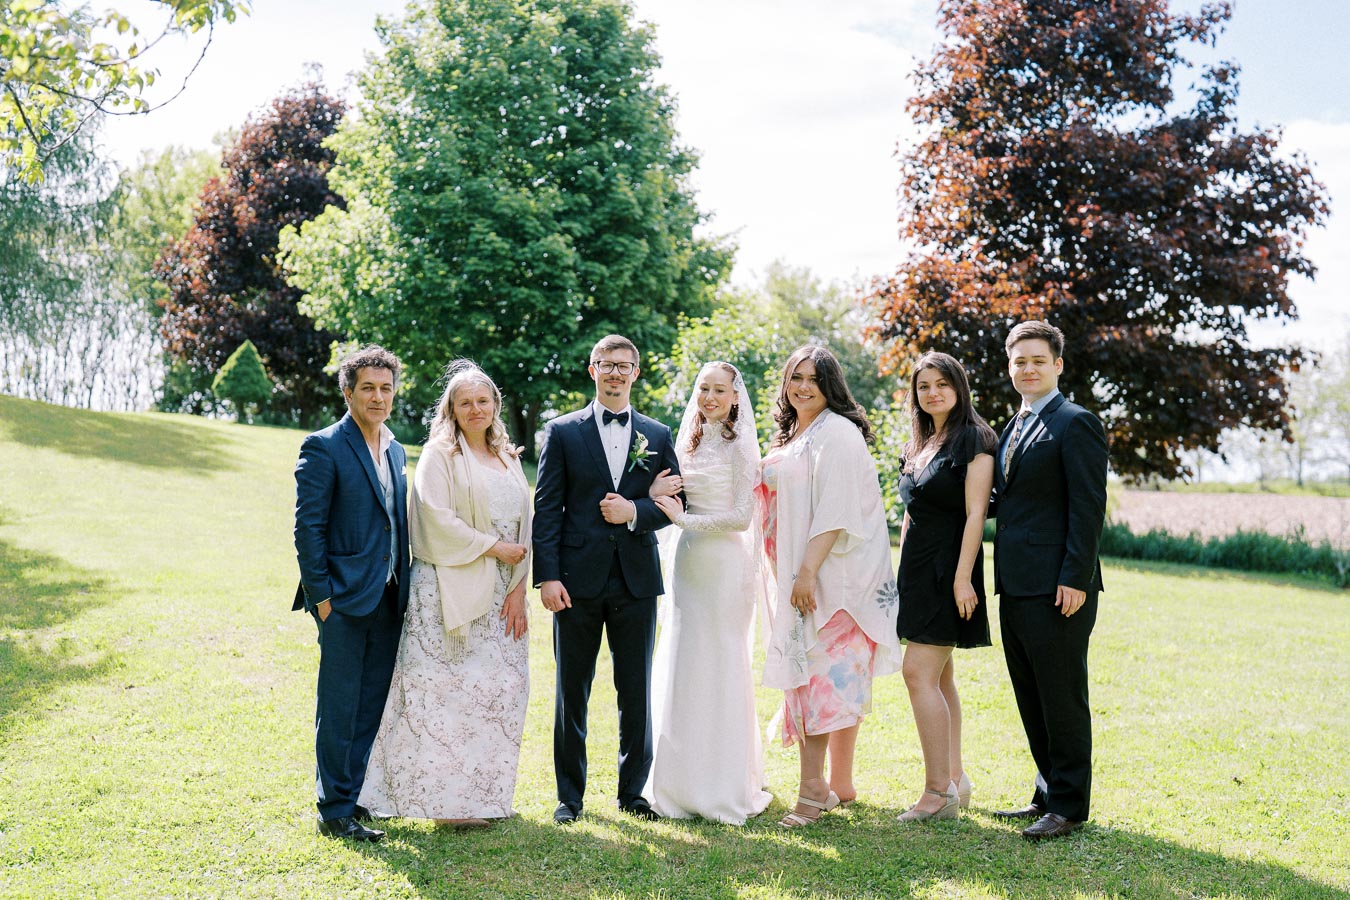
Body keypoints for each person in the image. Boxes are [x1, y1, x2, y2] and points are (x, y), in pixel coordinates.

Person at [358, 362, 532, 829]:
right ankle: (443, 802)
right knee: (443, 694)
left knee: (497, 692)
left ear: (495, 404)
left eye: (483, 400)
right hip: (447, 588)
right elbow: (432, 522)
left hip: (503, 591)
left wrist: (518, 590)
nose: (475, 409)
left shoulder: (509, 457)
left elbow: (525, 527)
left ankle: (481, 796)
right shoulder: (440, 454)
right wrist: (495, 548)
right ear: (451, 410)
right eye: (464, 402)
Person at [532, 334, 681, 825]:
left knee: (634, 690)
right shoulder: (562, 431)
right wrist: (547, 577)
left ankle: (632, 794)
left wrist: (634, 510)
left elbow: (678, 506)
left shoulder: (658, 435)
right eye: (606, 364)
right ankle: (569, 799)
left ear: (636, 372)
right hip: (575, 582)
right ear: (591, 370)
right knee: (571, 692)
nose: (615, 372)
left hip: (637, 582)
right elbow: (546, 509)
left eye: (624, 365)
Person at [758, 345, 902, 828]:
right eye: (795, 377)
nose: (802, 386)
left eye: (814, 380)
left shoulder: (837, 433)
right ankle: (840, 784)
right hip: (799, 577)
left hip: (832, 582)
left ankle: (812, 792)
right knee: (820, 678)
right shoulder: (796, 432)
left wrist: (805, 573)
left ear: (831, 386)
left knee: (817, 680)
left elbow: (836, 512)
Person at [990, 320, 1108, 841]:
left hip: (1060, 587)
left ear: (1058, 365)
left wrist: (1075, 578)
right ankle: (1045, 792)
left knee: (1061, 695)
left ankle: (1069, 805)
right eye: (1019, 361)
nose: (1028, 369)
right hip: (1014, 584)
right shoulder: (1012, 427)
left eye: (1038, 360)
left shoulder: (1075, 423)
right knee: (1030, 693)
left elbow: (1088, 508)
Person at [642, 362, 773, 825]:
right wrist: (660, 495)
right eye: (704, 388)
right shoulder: (688, 439)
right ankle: (676, 782)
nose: (710, 397)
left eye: (720, 390)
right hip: (687, 561)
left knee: (719, 658)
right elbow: (668, 487)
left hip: (721, 560)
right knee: (684, 657)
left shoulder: (741, 447)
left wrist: (684, 522)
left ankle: (722, 784)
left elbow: (741, 515)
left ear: (736, 397)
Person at [293, 345, 410, 843]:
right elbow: (308, 529)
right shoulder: (323, 446)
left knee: (369, 705)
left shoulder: (399, 450)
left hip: (388, 597)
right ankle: (334, 810)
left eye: (386, 388)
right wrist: (322, 598)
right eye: (368, 388)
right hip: (341, 600)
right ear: (348, 392)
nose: (378, 397)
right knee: (339, 706)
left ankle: (353, 796)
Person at [893, 352, 997, 823]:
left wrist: (961, 578)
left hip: (948, 571)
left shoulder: (974, 438)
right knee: (941, 678)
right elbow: (912, 514)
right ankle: (956, 779)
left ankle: (937, 795)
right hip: (916, 571)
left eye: (942, 384)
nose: (932, 393)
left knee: (917, 673)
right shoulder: (922, 442)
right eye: (923, 386)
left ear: (958, 387)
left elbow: (976, 513)